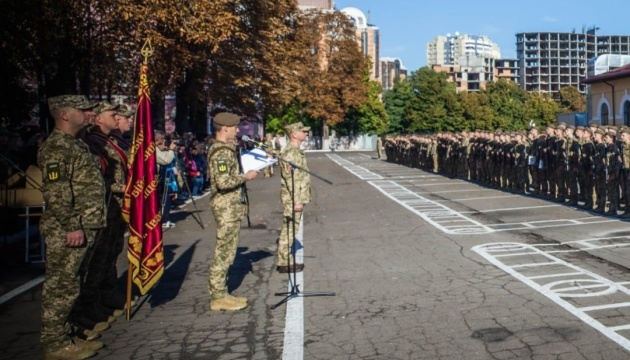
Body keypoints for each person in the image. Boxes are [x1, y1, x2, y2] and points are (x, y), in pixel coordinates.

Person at [39, 95, 106, 359]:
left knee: (74, 284)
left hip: (85, 224)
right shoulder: (57, 147)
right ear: (64, 114)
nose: (89, 113)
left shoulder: (76, 144)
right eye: (83, 109)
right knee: (61, 287)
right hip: (68, 229)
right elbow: (57, 192)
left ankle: (69, 332)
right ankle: (55, 343)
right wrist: (70, 225)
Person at [207, 112, 258, 311]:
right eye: (235, 127)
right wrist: (246, 176)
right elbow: (222, 182)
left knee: (227, 251)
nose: (238, 131)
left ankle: (222, 292)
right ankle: (218, 296)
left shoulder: (226, 149)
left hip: (230, 206)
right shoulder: (221, 152)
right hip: (225, 207)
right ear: (225, 128)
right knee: (224, 253)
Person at [276, 121, 312, 274]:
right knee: (289, 229)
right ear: (293, 134)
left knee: (292, 228)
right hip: (292, 198)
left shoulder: (296, 151)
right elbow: (292, 180)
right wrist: (297, 201)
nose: (306, 133)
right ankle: (284, 261)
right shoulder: (290, 153)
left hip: (296, 196)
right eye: (303, 131)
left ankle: (285, 259)